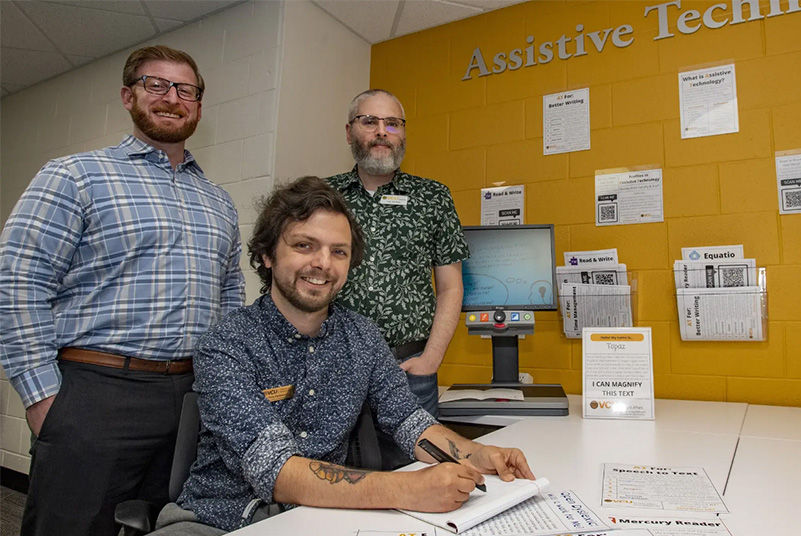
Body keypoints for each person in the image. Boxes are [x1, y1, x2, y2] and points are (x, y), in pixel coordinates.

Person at [151, 176, 534, 534]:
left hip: (321, 518)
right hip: (219, 521)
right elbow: (277, 470)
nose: (322, 263)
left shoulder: (362, 336)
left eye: (339, 252)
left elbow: (408, 420)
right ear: (267, 255)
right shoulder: (227, 344)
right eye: (304, 245)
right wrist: (406, 488)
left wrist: (474, 454)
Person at [0, 45, 244, 536]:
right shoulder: (74, 175)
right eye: (156, 85)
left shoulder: (220, 203)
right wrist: (43, 398)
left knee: (164, 525)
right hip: (95, 392)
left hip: (190, 397)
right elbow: (17, 281)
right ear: (129, 96)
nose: (172, 98)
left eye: (185, 90)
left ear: (197, 105)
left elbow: (230, 298)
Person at [326, 89, 469, 418]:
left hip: (409, 371)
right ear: (349, 131)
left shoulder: (433, 197)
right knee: (331, 467)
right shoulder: (323, 196)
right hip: (331, 367)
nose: (381, 131)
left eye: (392, 123)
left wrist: (431, 360)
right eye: (369, 121)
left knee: (416, 466)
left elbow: (451, 286)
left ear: (403, 133)